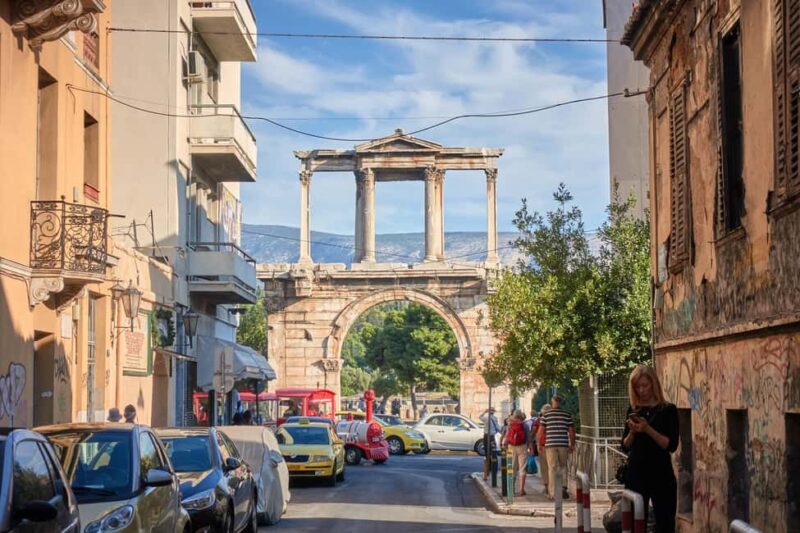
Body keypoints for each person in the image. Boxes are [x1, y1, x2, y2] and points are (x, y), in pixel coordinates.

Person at [622, 364, 679, 532]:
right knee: (634, 524)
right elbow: (624, 446)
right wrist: (632, 432)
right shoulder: (633, 410)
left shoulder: (667, 410)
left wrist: (647, 429)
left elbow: (670, 445)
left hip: (661, 474)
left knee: (665, 523)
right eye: (637, 386)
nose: (641, 390)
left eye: (645, 385)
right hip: (636, 473)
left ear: (653, 384)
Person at [538, 395, 575, 500]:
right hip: (563, 444)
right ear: (561, 403)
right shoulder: (566, 415)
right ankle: (563, 487)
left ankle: (553, 493)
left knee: (552, 468)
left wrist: (539, 444)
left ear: (552, 402)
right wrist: (572, 444)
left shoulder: (546, 415)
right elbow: (572, 431)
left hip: (550, 445)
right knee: (563, 466)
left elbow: (541, 432)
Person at [502, 410, 529, 496]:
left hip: (511, 447)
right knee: (522, 468)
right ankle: (521, 489)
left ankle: (511, 489)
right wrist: (529, 446)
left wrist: (504, 444)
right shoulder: (525, 425)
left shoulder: (510, 424)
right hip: (522, 447)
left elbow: (506, 436)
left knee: (511, 468)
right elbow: (528, 437)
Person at [532, 405, 552, 493]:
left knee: (544, 467)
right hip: (552, 444)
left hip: (543, 445)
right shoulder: (553, 420)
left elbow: (534, 432)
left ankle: (547, 486)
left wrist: (532, 443)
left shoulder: (538, 421)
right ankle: (552, 486)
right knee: (552, 466)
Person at [480, 407, 502, 480]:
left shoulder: (485, 418)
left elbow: (480, 417)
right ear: (494, 412)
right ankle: (494, 469)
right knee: (493, 452)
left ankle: (488, 469)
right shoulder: (495, 418)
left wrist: (484, 411)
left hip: (486, 436)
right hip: (492, 437)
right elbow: (498, 428)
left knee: (487, 453)